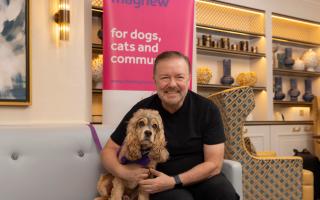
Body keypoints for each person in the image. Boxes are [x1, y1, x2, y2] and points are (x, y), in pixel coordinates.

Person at [101, 51, 239, 200]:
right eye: (165, 77)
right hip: (160, 182)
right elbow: (108, 150)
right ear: (155, 80)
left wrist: (174, 181)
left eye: (179, 77)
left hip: (202, 178)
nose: (172, 84)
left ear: (188, 79)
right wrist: (124, 173)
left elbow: (214, 164)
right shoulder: (142, 111)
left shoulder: (207, 109)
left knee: (225, 194)